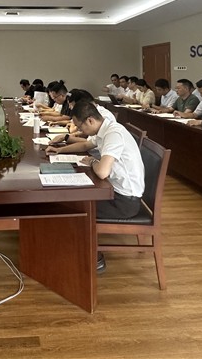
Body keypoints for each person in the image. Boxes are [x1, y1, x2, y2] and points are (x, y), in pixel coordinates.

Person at [45, 101, 145, 273]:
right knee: (73, 198)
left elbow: (102, 172)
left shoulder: (113, 134)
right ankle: (75, 247)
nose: (80, 131)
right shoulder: (103, 129)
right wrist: (60, 150)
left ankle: (94, 257)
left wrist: (92, 161)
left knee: (74, 206)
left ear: (90, 120)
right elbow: (85, 145)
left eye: (80, 127)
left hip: (124, 202)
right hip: (115, 191)